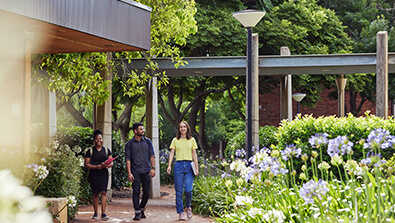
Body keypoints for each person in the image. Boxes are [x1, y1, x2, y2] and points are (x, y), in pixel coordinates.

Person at [167, 121, 199, 221]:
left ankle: (188, 207)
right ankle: (180, 212)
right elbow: (172, 153)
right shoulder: (175, 140)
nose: (183, 128)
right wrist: (169, 165)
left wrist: (196, 167)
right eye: (181, 127)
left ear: (187, 128)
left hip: (189, 166)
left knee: (188, 190)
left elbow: (194, 154)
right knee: (179, 191)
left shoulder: (192, 140)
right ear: (179, 129)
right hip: (178, 166)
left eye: (184, 127)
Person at [125, 122, 156, 221]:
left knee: (147, 192)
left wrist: (153, 168)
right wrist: (129, 173)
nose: (143, 131)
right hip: (135, 172)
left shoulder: (148, 142)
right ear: (135, 131)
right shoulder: (129, 144)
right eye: (141, 129)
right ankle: (137, 212)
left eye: (143, 129)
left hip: (146, 171)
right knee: (136, 192)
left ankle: (142, 208)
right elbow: (128, 159)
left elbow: (152, 155)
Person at [84, 129, 113, 220]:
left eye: (100, 139)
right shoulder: (90, 151)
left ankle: (103, 213)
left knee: (104, 192)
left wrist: (106, 165)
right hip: (94, 174)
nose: (99, 140)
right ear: (94, 140)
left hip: (104, 174)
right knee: (95, 193)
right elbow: (86, 164)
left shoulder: (107, 150)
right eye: (97, 139)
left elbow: (111, 162)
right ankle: (96, 213)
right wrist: (97, 166)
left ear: (102, 139)